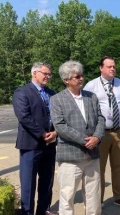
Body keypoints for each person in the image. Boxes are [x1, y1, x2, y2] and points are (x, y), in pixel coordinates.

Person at [50, 60, 105, 214]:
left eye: (81, 75)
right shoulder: (57, 99)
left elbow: (101, 118)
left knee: (93, 194)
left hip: (92, 154)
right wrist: (85, 140)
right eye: (77, 76)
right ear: (66, 80)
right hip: (70, 156)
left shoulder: (91, 97)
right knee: (67, 195)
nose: (81, 78)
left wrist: (97, 137)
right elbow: (60, 126)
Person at [83, 56, 120, 208]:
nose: (112, 69)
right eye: (109, 66)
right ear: (101, 68)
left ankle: (119, 196)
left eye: (114, 66)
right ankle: (99, 200)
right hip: (101, 133)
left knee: (118, 166)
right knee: (99, 168)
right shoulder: (92, 85)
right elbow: (87, 108)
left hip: (119, 131)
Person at [12, 62, 58, 215]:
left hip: (50, 145)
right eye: (45, 73)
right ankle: (27, 212)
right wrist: (43, 134)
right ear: (35, 73)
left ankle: (44, 210)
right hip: (31, 145)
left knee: (47, 182)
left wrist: (56, 132)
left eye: (49, 74)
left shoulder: (51, 93)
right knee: (28, 184)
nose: (48, 77)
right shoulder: (22, 92)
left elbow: (59, 116)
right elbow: (24, 117)